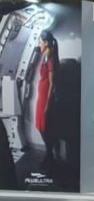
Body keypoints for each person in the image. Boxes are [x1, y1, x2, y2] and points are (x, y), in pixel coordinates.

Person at [35, 31, 59, 169]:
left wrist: (47, 104)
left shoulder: (50, 58)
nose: (39, 44)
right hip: (41, 94)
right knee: (40, 125)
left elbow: (51, 83)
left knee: (44, 126)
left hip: (45, 96)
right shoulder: (45, 56)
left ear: (46, 42)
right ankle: (48, 153)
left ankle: (49, 154)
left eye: (40, 41)